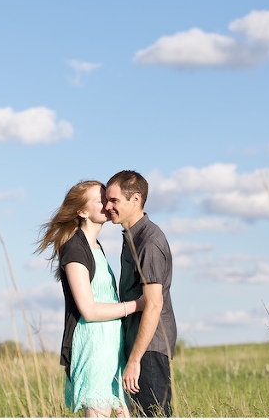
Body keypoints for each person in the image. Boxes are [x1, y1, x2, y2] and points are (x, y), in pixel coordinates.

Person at [36, 179, 145, 418]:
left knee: (125, 413)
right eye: (100, 200)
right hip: (93, 343)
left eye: (108, 199)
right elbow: (89, 310)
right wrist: (138, 305)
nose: (108, 205)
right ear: (82, 211)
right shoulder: (74, 248)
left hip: (112, 343)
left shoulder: (96, 246)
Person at [105, 171, 177, 418]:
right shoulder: (131, 238)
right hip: (139, 347)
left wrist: (135, 359)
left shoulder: (149, 241)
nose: (107, 206)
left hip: (149, 349)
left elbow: (154, 305)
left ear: (135, 200)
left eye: (113, 200)